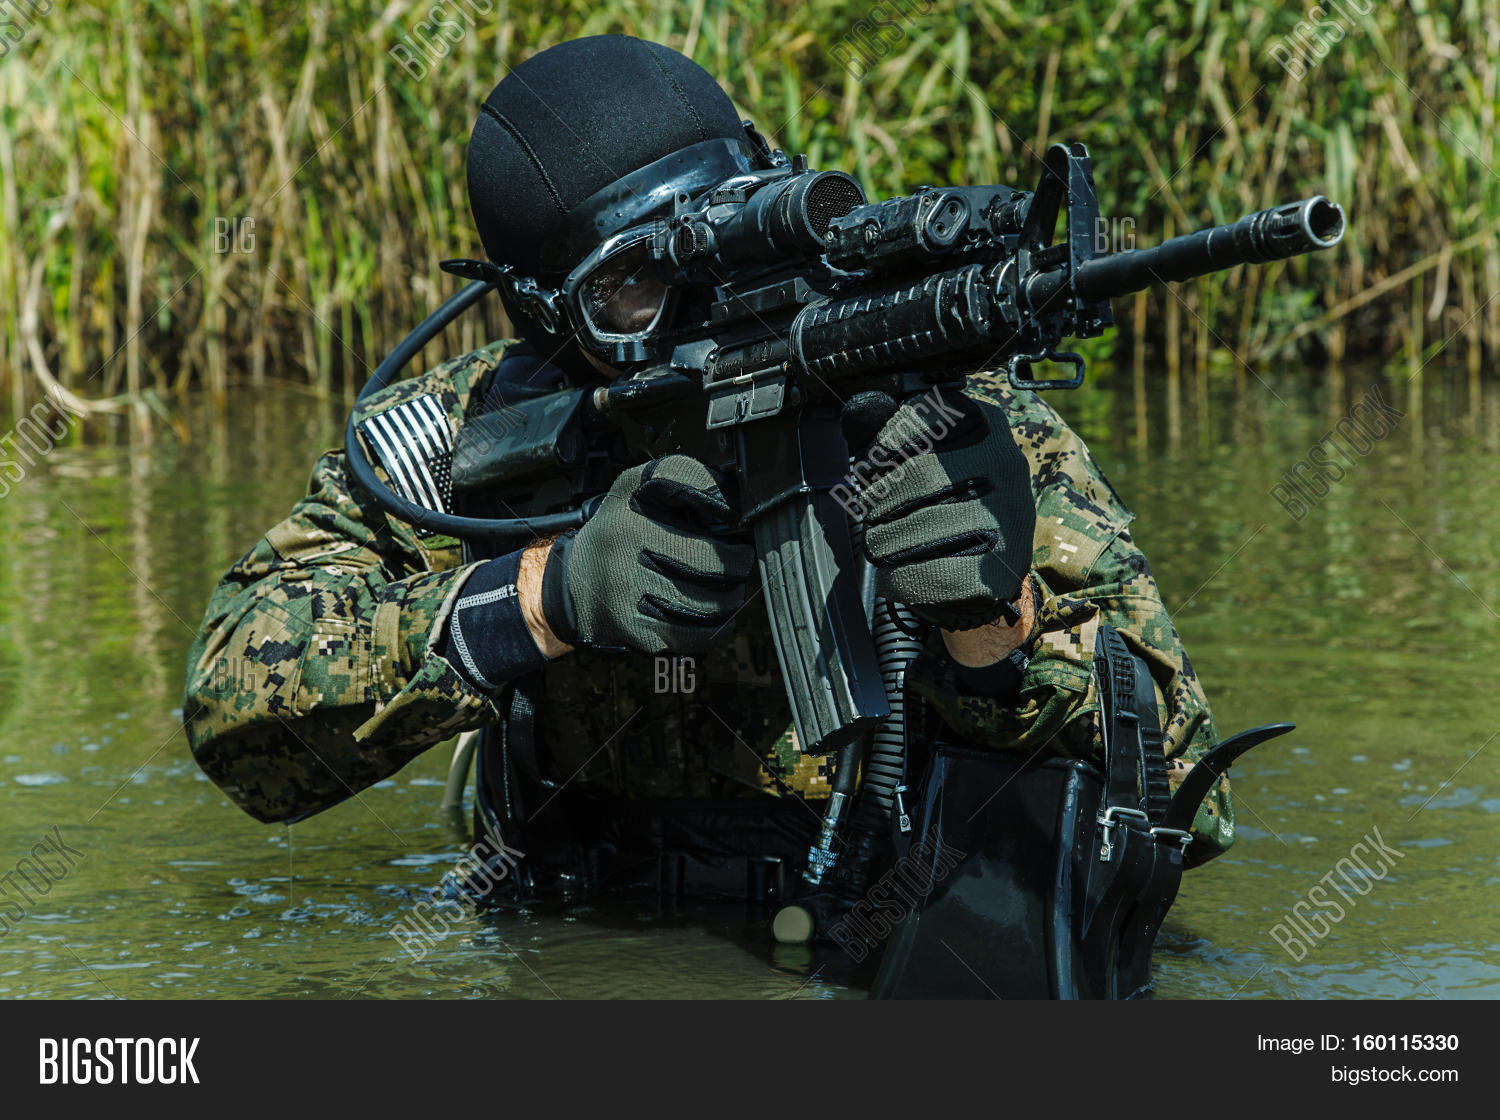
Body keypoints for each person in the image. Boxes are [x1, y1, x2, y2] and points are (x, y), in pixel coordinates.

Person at [182, 34, 1234, 985]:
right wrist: (544, 596)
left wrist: (990, 633)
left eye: (729, 231)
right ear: (542, 311)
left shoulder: (940, 405)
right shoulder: (475, 439)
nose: (705, 296)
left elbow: (1192, 799)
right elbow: (237, 716)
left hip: (900, 950)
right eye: (637, 286)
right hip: (581, 944)